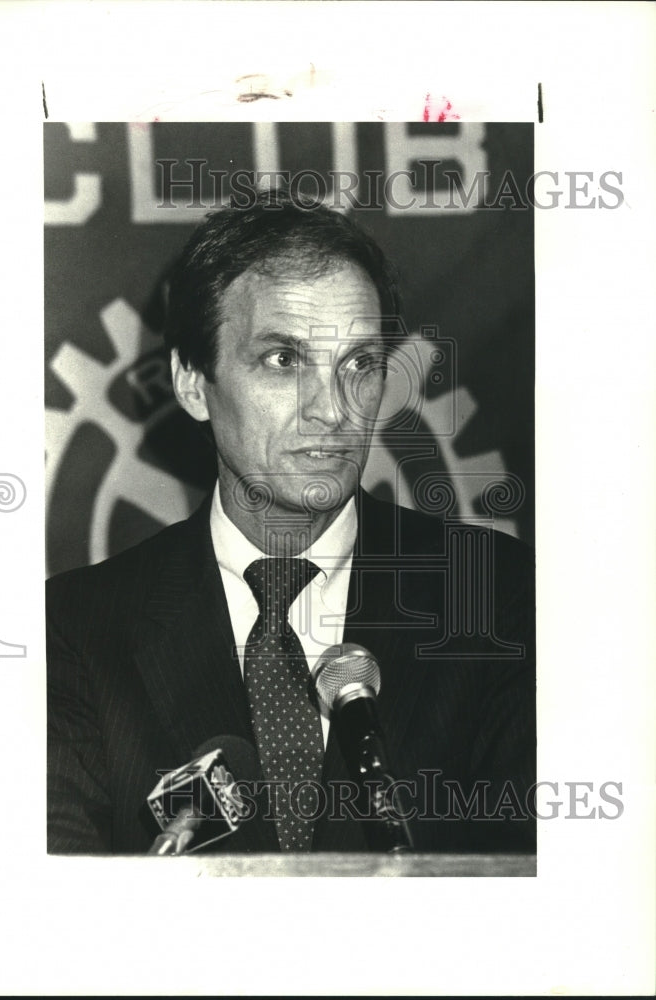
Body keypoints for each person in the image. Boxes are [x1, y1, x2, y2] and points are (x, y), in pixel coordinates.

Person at [47, 189, 536, 856]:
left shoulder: (500, 597)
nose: (332, 410)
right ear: (192, 382)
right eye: (284, 360)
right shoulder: (73, 629)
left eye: (359, 364)